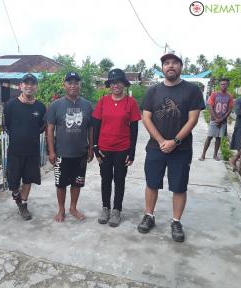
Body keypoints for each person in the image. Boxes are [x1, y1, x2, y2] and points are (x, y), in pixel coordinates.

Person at [137, 52, 205, 242]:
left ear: (181, 67)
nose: (170, 66)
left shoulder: (192, 90)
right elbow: (146, 117)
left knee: (179, 186)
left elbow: (193, 119)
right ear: (162, 68)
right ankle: (149, 216)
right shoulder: (153, 91)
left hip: (181, 149)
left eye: (174, 63)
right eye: (166, 63)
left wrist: (174, 141)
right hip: (155, 147)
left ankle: (176, 221)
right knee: (152, 183)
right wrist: (160, 141)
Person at [92, 68, 141, 227]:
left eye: (118, 82)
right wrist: (94, 147)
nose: (115, 85)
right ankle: (105, 207)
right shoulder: (103, 101)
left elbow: (134, 128)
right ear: (109, 85)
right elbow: (96, 125)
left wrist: (132, 151)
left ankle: (117, 210)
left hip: (122, 148)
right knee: (105, 178)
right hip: (104, 148)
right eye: (113, 82)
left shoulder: (130, 103)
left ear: (124, 84)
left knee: (119, 179)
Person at [46, 72, 93, 222]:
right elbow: (50, 129)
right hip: (61, 153)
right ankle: (61, 209)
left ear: (80, 85)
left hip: (80, 153)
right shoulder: (56, 105)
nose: (73, 85)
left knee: (77, 183)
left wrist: (91, 148)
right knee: (61, 184)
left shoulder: (87, 105)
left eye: (76, 83)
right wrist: (51, 151)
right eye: (69, 82)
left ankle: (73, 208)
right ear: (64, 85)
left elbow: (91, 128)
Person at [3, 73, 46, 220]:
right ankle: (17, 196)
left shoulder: (40, 107)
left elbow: (42, 127)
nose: (29, 86)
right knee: (13, 182)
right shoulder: (10, 105)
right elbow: (6, 125)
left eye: (32, 83)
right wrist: (17, 136)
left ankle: (23, 205)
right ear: (21, 86)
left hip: (32, 151)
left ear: (36, 87)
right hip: (15, 151)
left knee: (28, 180)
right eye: (26, 83)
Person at [199, 78, 234, 161]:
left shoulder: (229, 96)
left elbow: (229, 109)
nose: (223, 86)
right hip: (214, 120)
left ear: (228, 85)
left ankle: (215, 155)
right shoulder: (214, 95)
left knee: (218, 138)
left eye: (225, 84)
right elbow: (210, 107)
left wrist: (221, 119)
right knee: (209, 137)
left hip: (223, 121)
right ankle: (203, 155)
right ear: (219, 85)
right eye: (222, 84)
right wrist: (216, 119)